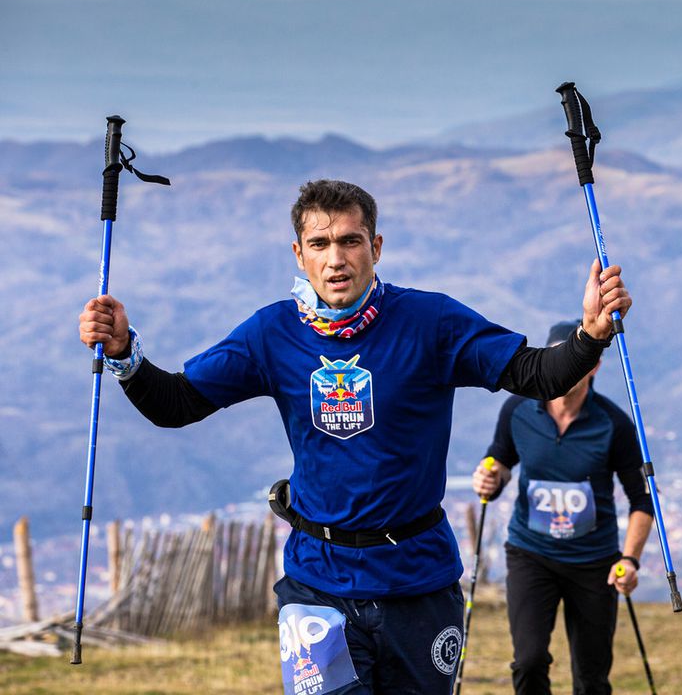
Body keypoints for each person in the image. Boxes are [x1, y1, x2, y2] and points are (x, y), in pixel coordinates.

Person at [77, 179, 632, 695]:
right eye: (319, 243)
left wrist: (590, 335)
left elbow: (535, 374)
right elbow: (177, 404)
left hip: (419, 581)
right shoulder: (272, 333)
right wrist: (125, 353)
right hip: (318, 583)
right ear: (299, 254)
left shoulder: (429, 321)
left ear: (377, 246)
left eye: (350, 240)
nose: (335, 258)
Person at [472, 320, 653, 695]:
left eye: (576, 360)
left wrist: (631, 560)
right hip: (530, 554)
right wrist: (490, 478)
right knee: (529, 660)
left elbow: (642, 500)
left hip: (594, 564)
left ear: (594, 364)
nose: (567, 369)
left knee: (591, 677)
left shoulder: (613, 424)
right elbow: (500, 461)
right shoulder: (517, 409)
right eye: (558, 358)